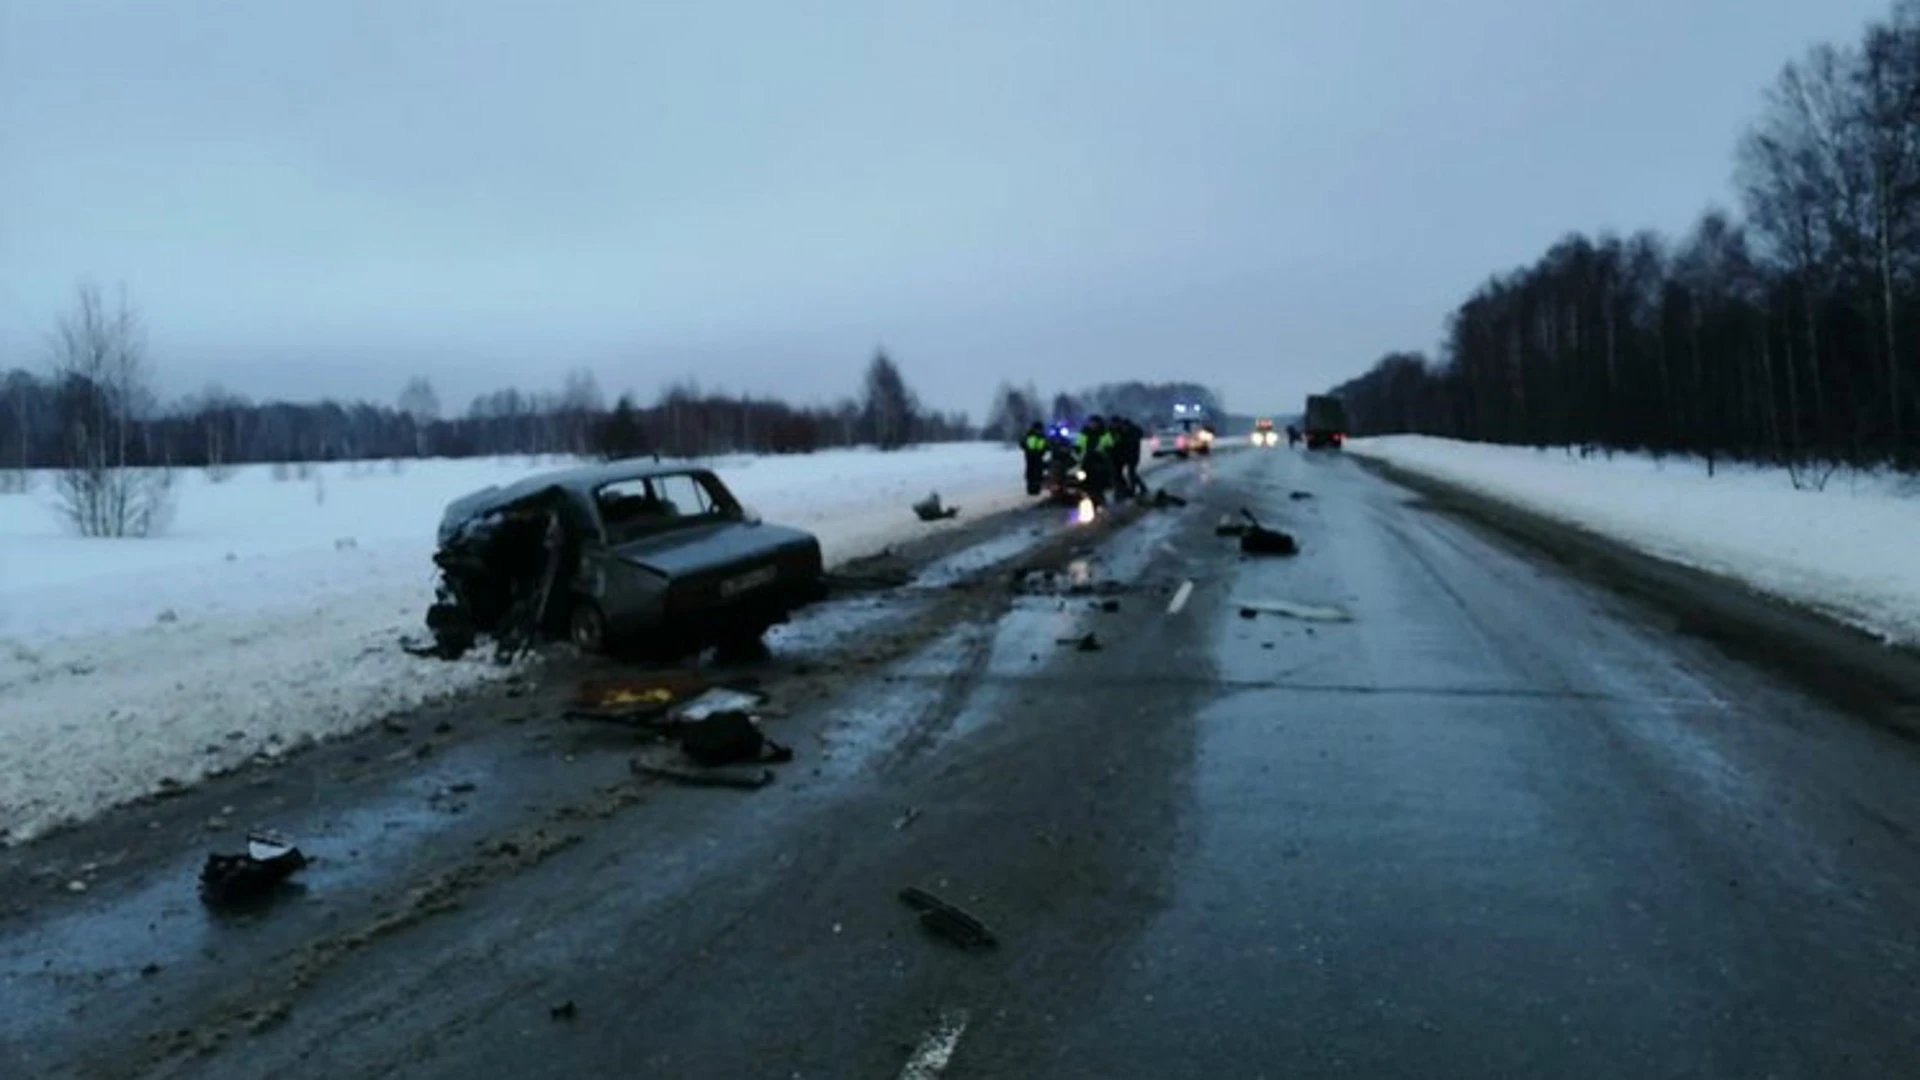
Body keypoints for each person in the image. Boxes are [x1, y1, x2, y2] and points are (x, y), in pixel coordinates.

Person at [1076, 415, 1116, 506]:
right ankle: (1092, 498)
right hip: (1088, 459)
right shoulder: (1084, 433)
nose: (1092, 425)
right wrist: (1077, 449)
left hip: (1101, 459)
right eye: (1091, 423)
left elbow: (1110, 446)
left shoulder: (1104, 433)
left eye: (1094, 423)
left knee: (1100, 480)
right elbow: (1079, 444)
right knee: (1086, 479)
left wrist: (1105, 451)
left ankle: (1100, 499)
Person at [1021, 421, 1049, 496]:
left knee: (1038, 472)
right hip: (1030, 456)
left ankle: (1036, 489)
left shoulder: (1042, 436)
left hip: (1038, 456)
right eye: (1038, 429)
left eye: (1040, 429)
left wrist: (1044, 450)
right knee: (1031, 472)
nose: (1039, 431)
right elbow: (1022, 443)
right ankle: (1031, 489)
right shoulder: (1029, 435)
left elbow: (1047, 445)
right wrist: (1028, 449)